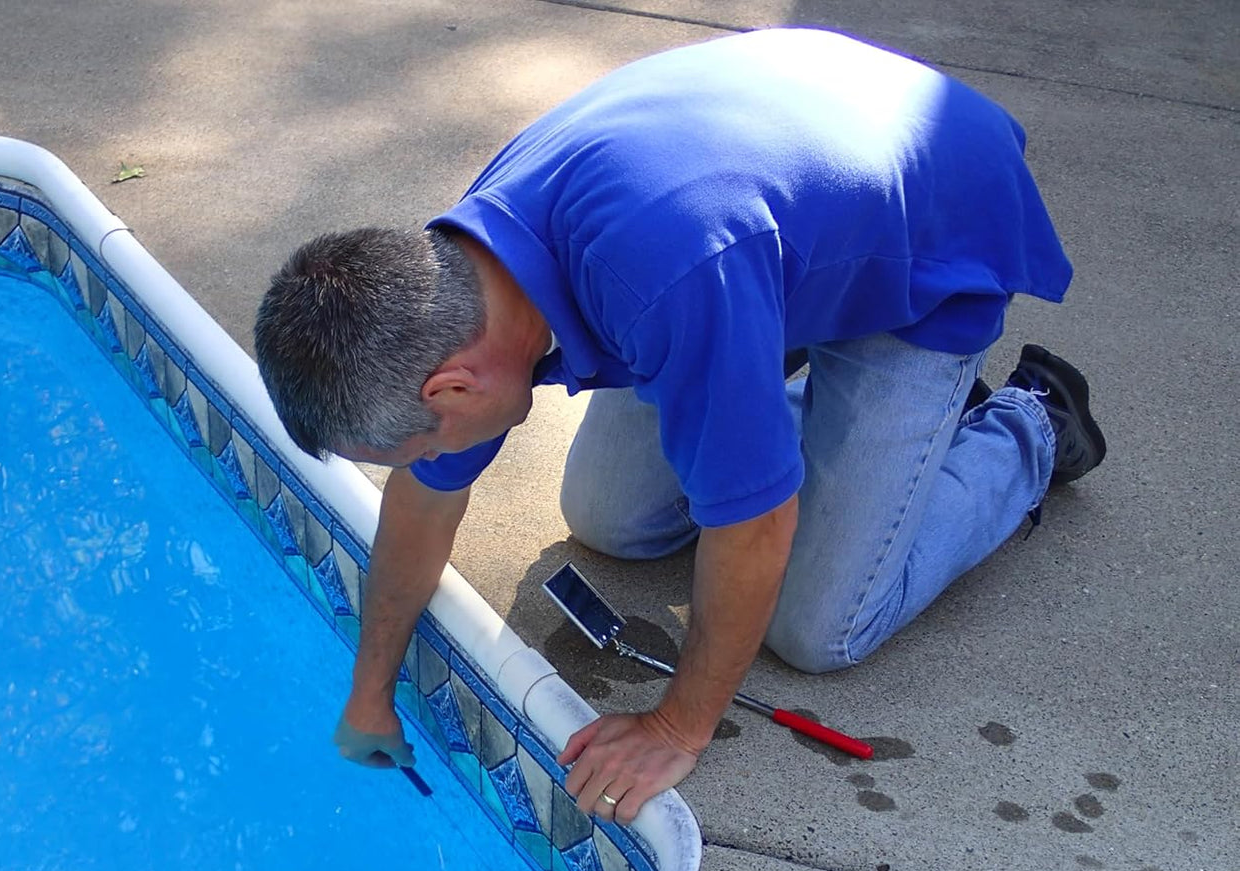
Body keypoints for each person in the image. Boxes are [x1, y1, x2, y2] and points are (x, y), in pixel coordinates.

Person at [251, 28, 1106, 826]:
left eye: (428, 443)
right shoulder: (460, 284)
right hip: (774, 219)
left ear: (452, 386)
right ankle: (823, 420)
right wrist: (370, 694)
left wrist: (677, 726)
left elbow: (754, 526)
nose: (437, 460)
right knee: (611, 522)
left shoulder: (661, 283)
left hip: (931, 235)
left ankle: (1026, 422)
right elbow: (423, 502)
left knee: (818, 629)